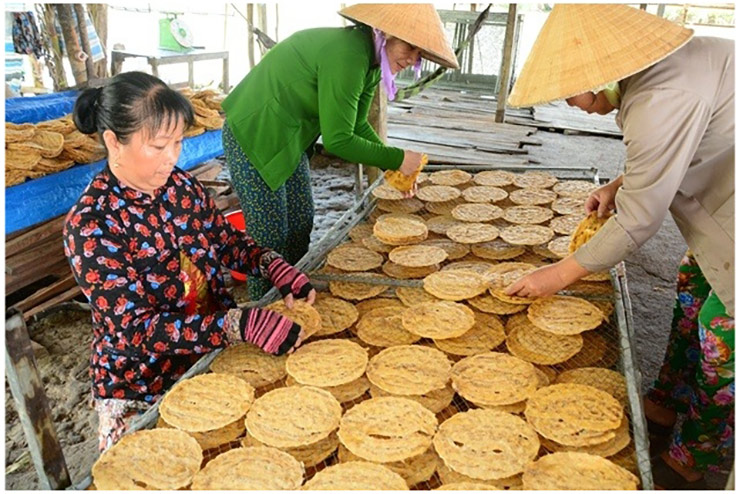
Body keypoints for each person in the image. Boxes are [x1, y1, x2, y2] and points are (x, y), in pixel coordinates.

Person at [505, 5, 733, 489]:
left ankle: (697, 451)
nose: (569, 103)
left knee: (724, 329)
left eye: (570, 91)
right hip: (724, 187)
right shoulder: (652, 78)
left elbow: (640, 219)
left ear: (600, 73)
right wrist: (617, 184)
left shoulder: (662, 95)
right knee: (694, 284)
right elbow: (676, 146)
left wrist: (560, 274)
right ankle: (668, 402)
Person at [63, 71, 316, 452]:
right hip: (144, 384)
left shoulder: (180, 186)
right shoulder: (92, 224)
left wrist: (269, 263)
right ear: (114, 142)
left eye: (178, 143)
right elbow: (137, 330)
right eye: (158, 146)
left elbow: (224, 241)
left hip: (210, 355)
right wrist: (238, 324)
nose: (172, 158)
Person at [221, 3, 459, 300]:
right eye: (409, 47)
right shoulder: (349, 55)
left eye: (419, 55)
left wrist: (392, 166)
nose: (412, 60)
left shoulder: (370, 61)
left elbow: (357, 124)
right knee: (269, 235)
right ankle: (263, 307)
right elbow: (338, 140)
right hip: (255, 130)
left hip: (290, 135)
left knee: (299, 223)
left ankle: (290, 295)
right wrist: (397, 158)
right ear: (386, 33)